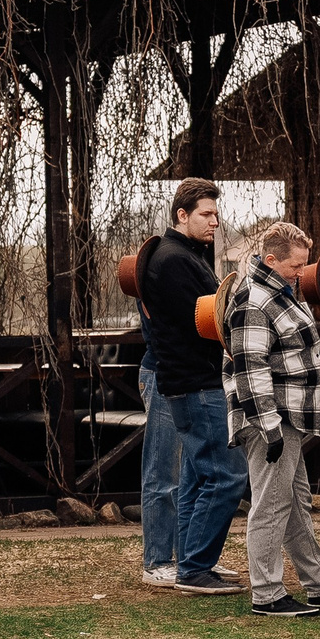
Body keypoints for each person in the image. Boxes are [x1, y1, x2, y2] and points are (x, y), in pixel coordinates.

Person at [224, 221, 320, 619]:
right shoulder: (255, 300)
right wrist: (268, 428)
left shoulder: (279, 291)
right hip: (272, 420)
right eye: (296, 265)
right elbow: (251, 369)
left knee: (294, 501)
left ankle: (318, 585)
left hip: (287, 418)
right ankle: (266, 593)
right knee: (270, 505)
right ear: (271, 260)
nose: (303, 272)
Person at [142, 178, 249, 597]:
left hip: (189, 380)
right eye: (206, 214)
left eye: (216, 214)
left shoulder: (184, 255)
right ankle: (195, 567)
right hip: (195, 381)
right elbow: (208, 323)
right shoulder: (173, 260)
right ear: (181, 215)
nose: (215, 222)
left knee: (195, 478)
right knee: (227, 475)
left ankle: (191, 561)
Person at [132, 229, 184, 590]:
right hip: (163, 373)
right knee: (163, 469)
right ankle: (158, 559)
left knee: (181, 472)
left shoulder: (170, 265)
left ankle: (184, 557)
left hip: (172, 373)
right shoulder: (161, 274)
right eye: (207, 214)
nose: (214, 222)